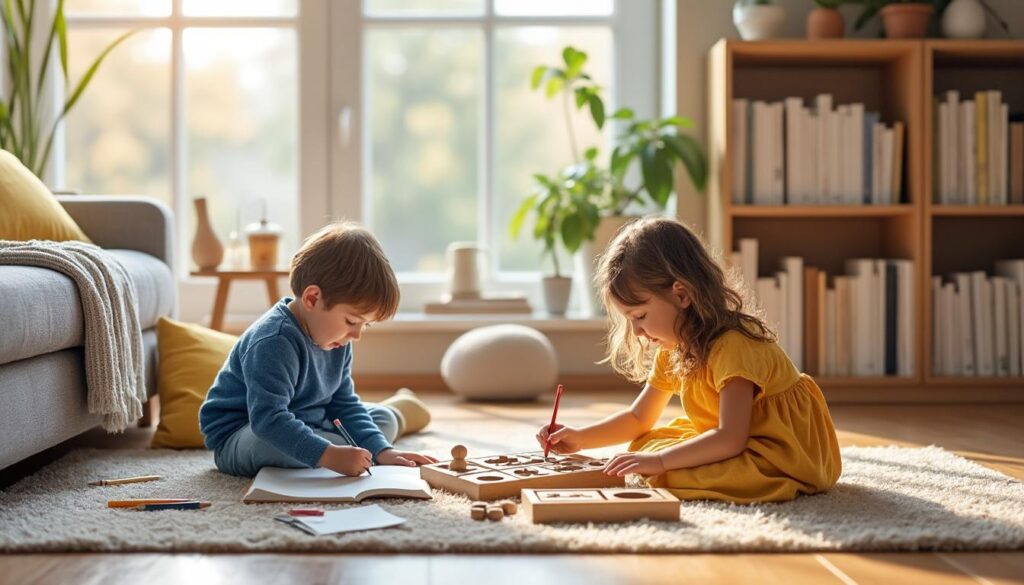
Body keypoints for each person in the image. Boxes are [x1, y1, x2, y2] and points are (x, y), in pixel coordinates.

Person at [537, 217, 841, 503]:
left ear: (682, 295)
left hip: (776, 450)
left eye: (640, 316)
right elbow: (639, 419)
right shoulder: (674, 347)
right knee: (643, 446)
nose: (636, 331)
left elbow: (731, 438)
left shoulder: (733, 346)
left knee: (665, 468)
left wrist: (660, 462)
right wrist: (580, 439)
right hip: (729, 436)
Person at [200, 221, 436, 478]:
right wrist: (328, 455)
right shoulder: (273, 342)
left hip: (310, 421)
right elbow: (268, 420)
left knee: (383, 419)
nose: (356, 335)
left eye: (365, 325)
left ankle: (336, 445)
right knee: (273, 443)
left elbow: (344, 404)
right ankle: (326, 447)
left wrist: (381, 451)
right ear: (313, 298)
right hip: (245, 433)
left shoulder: (337, 338)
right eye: (352, 321)